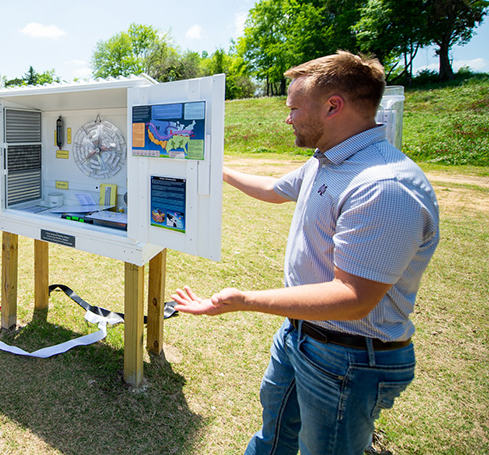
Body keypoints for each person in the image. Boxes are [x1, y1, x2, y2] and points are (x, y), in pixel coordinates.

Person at [172, 51, 440, 455]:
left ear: (334, 106)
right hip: (301, 335)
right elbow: (274, 190)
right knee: (273, 437)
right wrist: (216, 169)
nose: (288, 118)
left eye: (295, 108)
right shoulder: (328, 160)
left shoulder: (382, 186)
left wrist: (243, 300)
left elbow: (352, 299)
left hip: (349, 359)